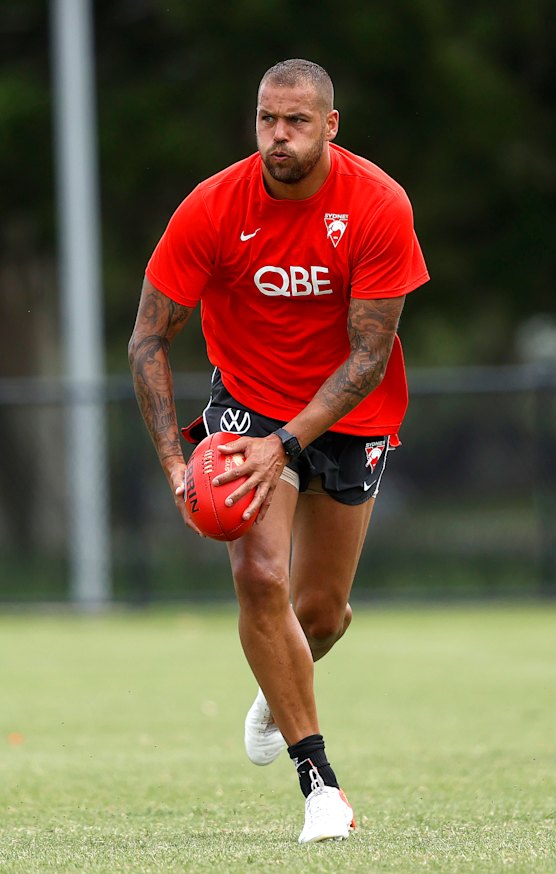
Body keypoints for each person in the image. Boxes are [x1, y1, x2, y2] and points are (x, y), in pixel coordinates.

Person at [129, 58, 429, 844]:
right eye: (267, 119)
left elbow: (368, 357)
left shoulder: (377, 204)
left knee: (321, 616)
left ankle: (277, 688)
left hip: (347, 414)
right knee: (259, 573)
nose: (278, 137)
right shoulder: (215, 206)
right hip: (246, 402)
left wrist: (288, 443)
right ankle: (320, 786)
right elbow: (147, 338)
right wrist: (172, 458)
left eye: (296, 122)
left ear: (330, 126)